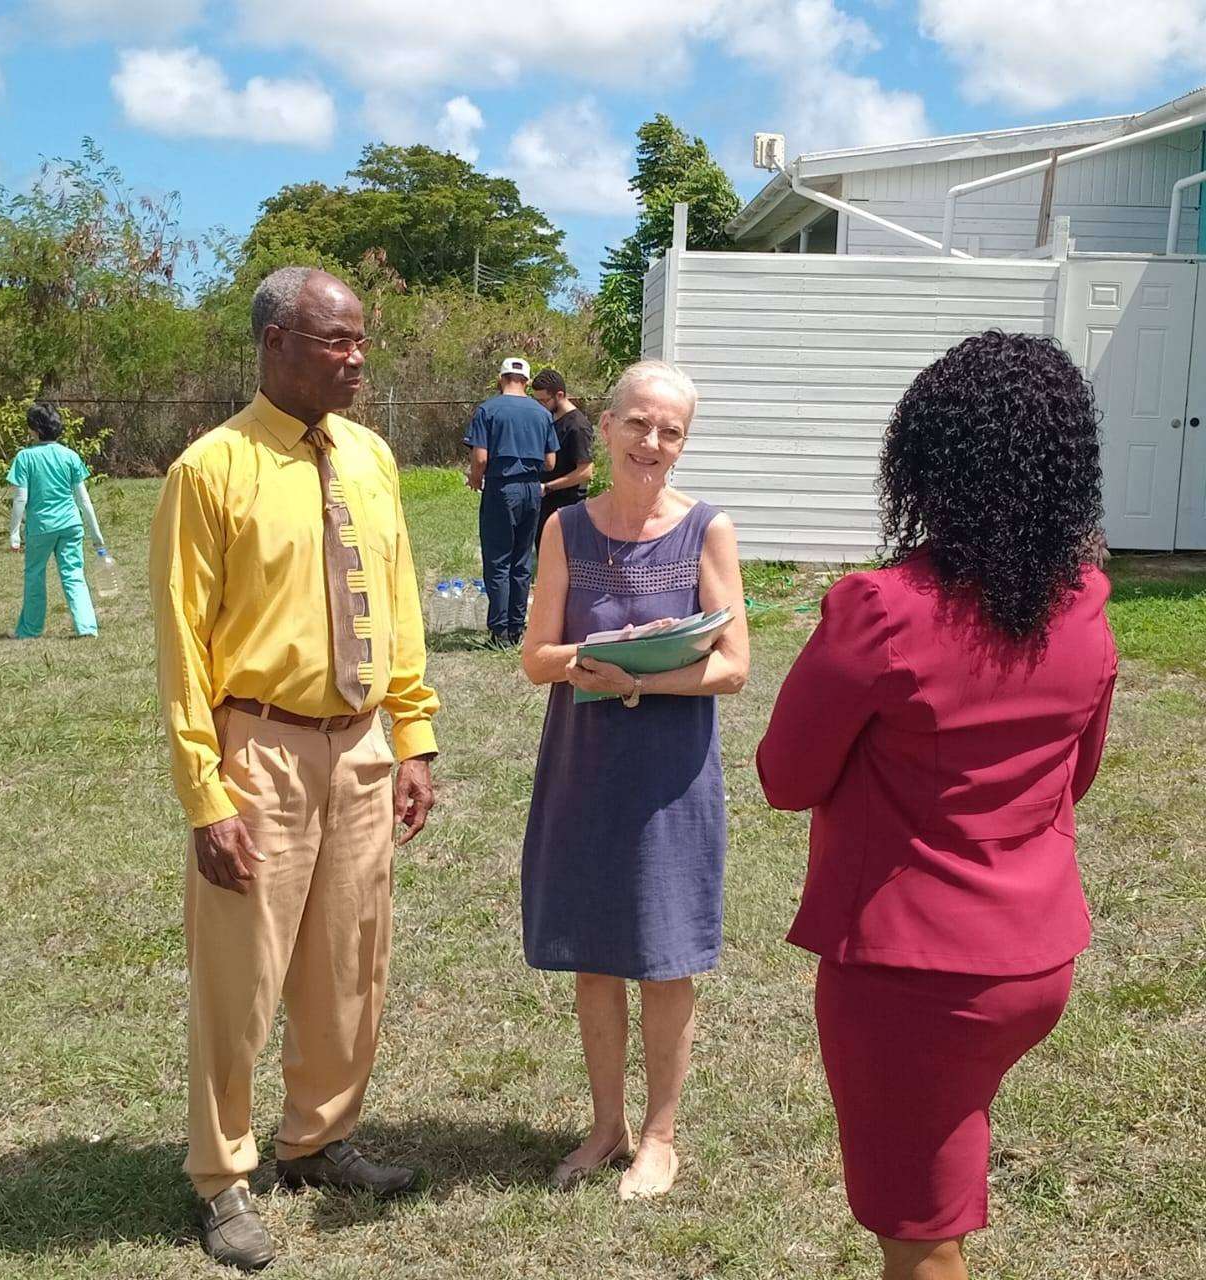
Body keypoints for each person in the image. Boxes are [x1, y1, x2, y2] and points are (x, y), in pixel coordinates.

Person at [755, 331, 1116, 1280]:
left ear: (924, 457)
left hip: (913, 976)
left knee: (919, 1243)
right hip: (1035, 962)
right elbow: (1073, 777)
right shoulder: (1085, 604)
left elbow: (784, 780)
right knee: (942, 1163)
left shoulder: (880, 608)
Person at [150, 266, 440, 1271]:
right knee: (242, 976)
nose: (357, 358)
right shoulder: (211, 469)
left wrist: (412, 736)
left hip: (359, 744)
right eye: (336, 341)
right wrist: (205, 792)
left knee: (348, 962)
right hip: (257, 747)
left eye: (362, 340)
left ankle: (316, 1136)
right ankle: (222, 1175)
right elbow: (182, 646)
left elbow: (396, 601)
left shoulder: (369, 456)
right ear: (276, 342)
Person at [520, 359, 750, 1200]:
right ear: (607, 426)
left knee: (665, 957)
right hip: (584, 769)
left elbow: (732, 667)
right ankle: (606, 1124)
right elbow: (533, 657)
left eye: (672, 431)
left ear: (683, 444)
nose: (652, 443)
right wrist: (594, 658)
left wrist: (645, 678)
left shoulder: (707, 530)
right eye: (639, 424)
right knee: (594, 957)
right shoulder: (565, 530)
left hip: (669, 776)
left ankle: (661, 1136)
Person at [465, 357, 558, 645]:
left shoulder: (488, 410)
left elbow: (480, 457)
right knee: (522, 558)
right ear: (527, 382)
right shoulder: (541, 413)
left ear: (501, 378)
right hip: (531, 489)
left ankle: (500, 630)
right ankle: (518, 627)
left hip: (501, 487)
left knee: (498, 558)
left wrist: (475, 478)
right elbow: (550, 462)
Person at [6, 402, 106, 639]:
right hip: (72, 525)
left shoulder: (24, 458)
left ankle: (30, 630)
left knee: (35, 576)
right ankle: (87, 628)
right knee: (74, 574)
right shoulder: (70, 456)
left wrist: (14, 533)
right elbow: (84, 500)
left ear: (36, 430)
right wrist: (96, 534)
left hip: (40, 528)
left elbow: (20, 499)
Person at [529, 368, 594, 551]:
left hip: (567, 505)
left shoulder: (577, 426)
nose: (541, 405)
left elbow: (585, 472)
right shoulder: (551, 419)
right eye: (537, 400)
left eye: (544, 400)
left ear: (559, 395)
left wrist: (548, 487)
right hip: (546, 502)